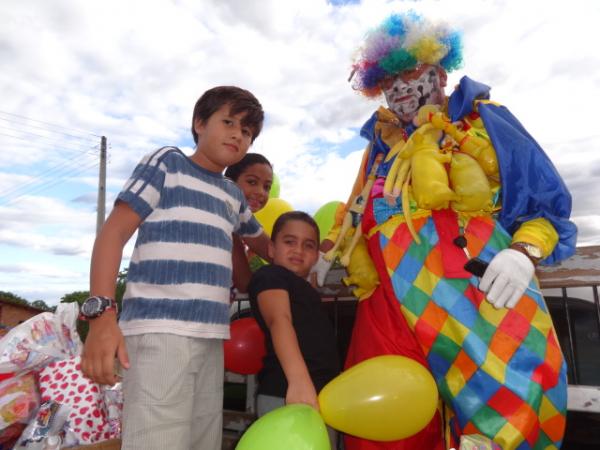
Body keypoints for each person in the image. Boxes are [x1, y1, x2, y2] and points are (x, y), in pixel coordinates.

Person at [317, 13, 577, 450]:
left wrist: (523, 252)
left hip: (468, 287)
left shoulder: (485, 122)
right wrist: (327, 257)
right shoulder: (380, 148)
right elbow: (355, 216)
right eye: (388, 79)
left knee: (507, 405)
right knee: (381, 429)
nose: (399, 86)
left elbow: (545, 201)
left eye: (410, 70)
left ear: (439, 70)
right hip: (386, 303)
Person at [80, 86, 271, 450]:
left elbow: (266, 244)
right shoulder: (168, 163)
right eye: (228, 122)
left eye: (247, 131)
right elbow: (114, 232)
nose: (237, 134)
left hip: (211, 337)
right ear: (199, 123)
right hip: (160, 331)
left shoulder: (232, 195)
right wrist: (102, 317)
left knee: (202, 441)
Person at [248, 211, 341, 449]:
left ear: (316, 255)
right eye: (289, 242)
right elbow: (280, 320)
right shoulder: (270, 275)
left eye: (308, 245)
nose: (298, 250)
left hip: (320, 396)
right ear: (271, 249)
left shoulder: (305, 289)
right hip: (288, 392)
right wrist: (298, 382)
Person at [225, 153, 274, 293]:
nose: (261, 192)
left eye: (267, 187)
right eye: (252, 182)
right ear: (230, 182)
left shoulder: (239, 227)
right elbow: (244, 282)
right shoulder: (226, 220)